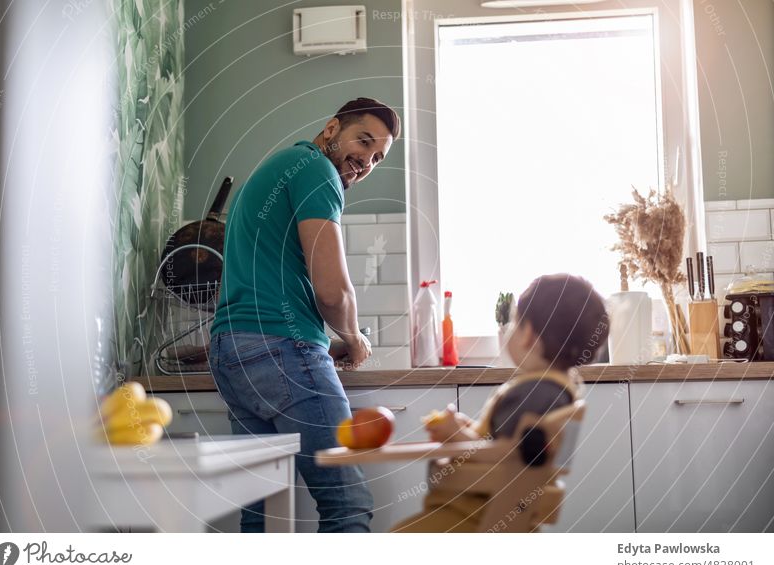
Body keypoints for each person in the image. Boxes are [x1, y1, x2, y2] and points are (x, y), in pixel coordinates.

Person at [209, 97, 401, 533]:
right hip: (281, 353)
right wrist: (354, 338)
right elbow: (333, 292)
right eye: (363, 141)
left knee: (260, 510)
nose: (365, 161)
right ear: (332, 129)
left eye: (377, 157)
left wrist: (322, 342)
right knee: (346, 503)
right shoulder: (316, 170)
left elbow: (272, 290)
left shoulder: (277, 170)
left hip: (234, 355)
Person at [391, 273, 609, 532]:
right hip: (511, 513)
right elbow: (512, 446)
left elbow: (509, 455)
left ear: (527, 333)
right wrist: (469, 429)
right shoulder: (560, 391)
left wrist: (457, 435)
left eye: (516, 323)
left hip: (473, 515)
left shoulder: (532, 393)